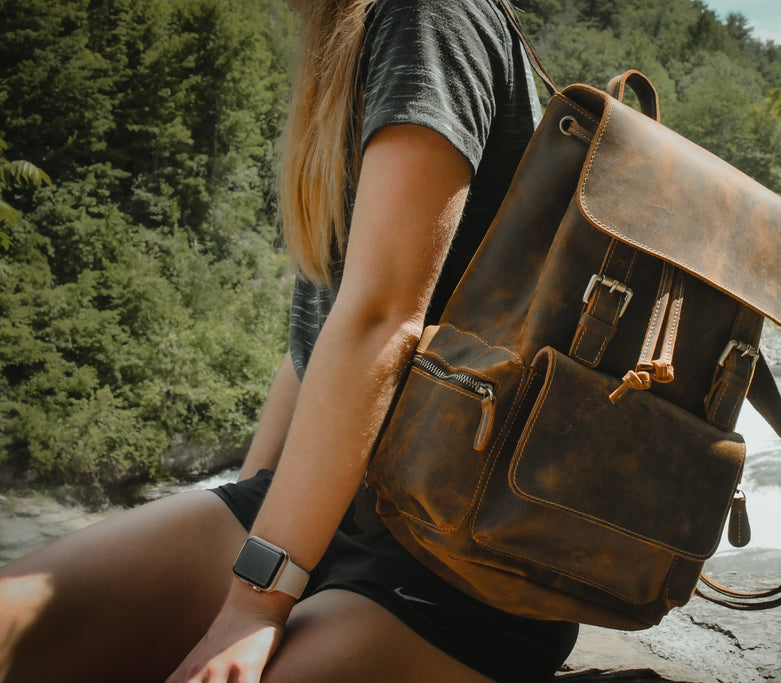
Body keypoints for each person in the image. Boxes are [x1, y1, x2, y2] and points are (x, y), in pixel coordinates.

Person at [0, 0, 579, 680]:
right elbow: (319, 336)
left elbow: (381, 317)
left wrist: (251, 602)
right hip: (330, 508)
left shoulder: (425, 13)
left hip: (457, 562)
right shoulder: (347, 31)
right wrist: (251, 525)